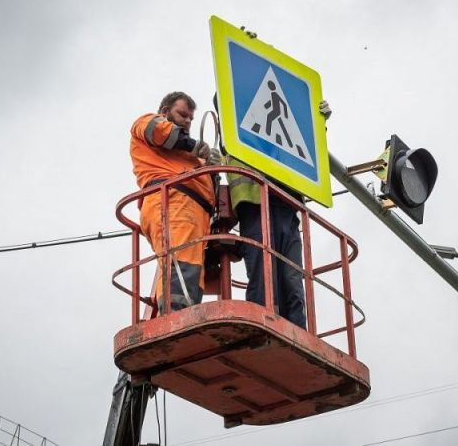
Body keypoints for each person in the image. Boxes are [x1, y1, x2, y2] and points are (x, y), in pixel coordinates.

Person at [224, 96, 332, 330]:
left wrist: (316, 125)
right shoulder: (234, 139)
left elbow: (303, 149)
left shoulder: (274, 135)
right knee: (264, 279)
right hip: (255, 208)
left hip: (287, 208)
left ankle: (297, 334)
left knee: (292, 280)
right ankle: (262, 328)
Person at [129, 91, 221, 313]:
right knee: (181, 265)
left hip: (193, 213)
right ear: (164, 112)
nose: (188, 121)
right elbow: (160, 131)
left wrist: (211, 168)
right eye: (182, 114)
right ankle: (176, 317)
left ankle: (185, 315)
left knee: (192, 272)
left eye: (190, 118)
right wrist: (196, 148)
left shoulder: (191, 156)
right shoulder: (147, 122)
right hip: (171, 202)